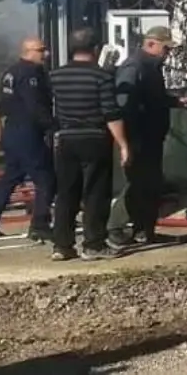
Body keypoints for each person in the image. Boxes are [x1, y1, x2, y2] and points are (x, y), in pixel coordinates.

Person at [47, 28, 130, 261]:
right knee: (95, 192)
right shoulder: (101, 76)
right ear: (95, 49)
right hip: (95, 138)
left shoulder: (55, 76)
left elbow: (48, 107)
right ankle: (93, 244)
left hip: (66, 138)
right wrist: (123, 144)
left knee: (66, 192)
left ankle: (62, 245)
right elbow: (110, 113)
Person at [109, 26, 187, 247]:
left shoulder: (151, 67)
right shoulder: (134, 66)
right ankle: (115, 226)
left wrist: (175, 101)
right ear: (151, 44)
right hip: (138, 136)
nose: (168, 53)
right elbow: (123, 103)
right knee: (137, 182)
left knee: (150, 184)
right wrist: (126, 139)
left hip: (151, 136)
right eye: (166, 48)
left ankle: (144, 230)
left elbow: (153, 98)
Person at [0, 37, 56, 241]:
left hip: (12, 129)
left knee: (11, 176)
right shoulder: (30, 73)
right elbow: (34, 104)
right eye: (41, 50)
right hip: (27, 131)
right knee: (46, 178)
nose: (46, 54)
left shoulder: (11, 72)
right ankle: (40, 224)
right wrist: (53, 125)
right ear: (28, 51)